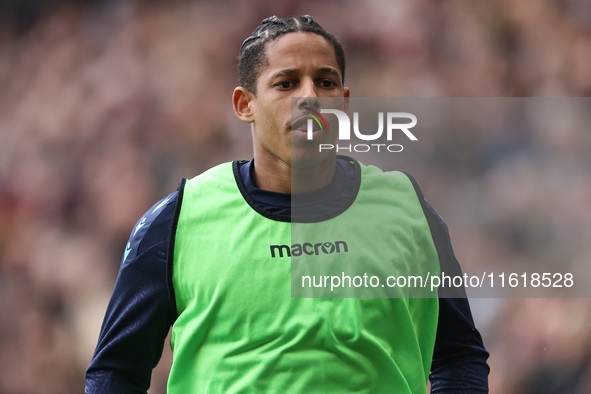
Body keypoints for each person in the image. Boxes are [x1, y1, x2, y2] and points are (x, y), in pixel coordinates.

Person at [85, 15, 489, 393]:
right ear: (245, 105)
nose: (310, 97)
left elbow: (458, 356)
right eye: (287, 83)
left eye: (326, 82)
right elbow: (116, 371)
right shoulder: (178, 219)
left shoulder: (406, 209)